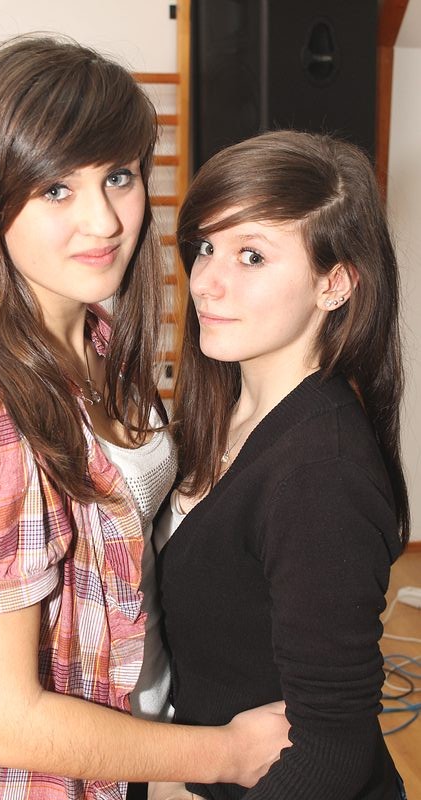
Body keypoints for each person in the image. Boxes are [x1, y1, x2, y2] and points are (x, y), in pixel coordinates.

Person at [0, 35, 291, 800]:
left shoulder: (100, 340)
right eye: (55, 189)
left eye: (117, 176)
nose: (103, 221)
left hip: (130, 749)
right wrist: (225, 755)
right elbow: (2, 721)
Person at [154, 130, 409, 799]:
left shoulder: (320, 473)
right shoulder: (222, 412)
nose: (206, 281)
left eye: (252, 255)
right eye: (205, 247)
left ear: (334, 284)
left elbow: (330, 751)